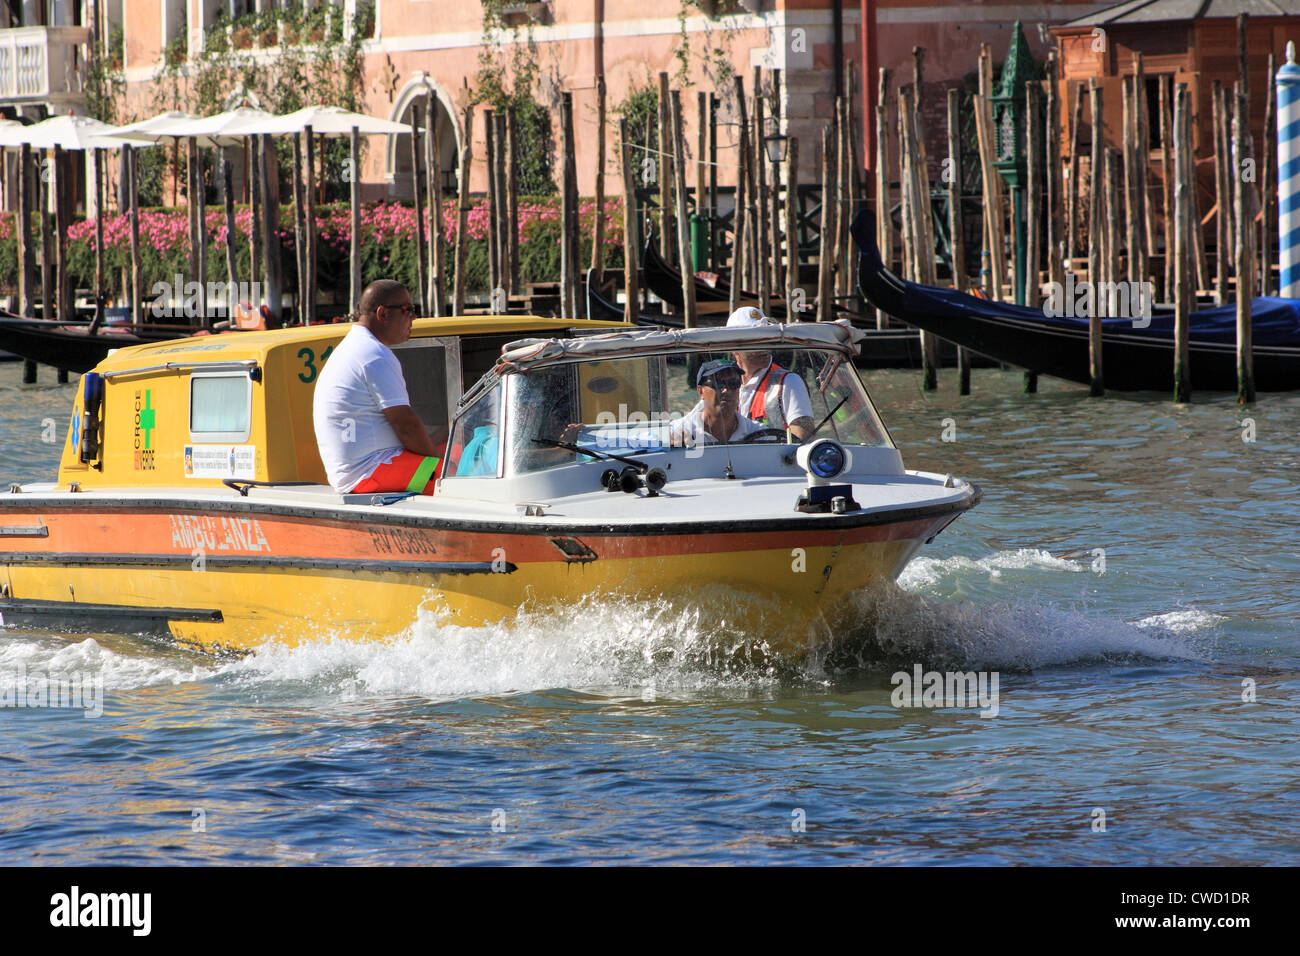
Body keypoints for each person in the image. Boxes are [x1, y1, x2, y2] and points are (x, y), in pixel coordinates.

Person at [312, 280, 445, 494]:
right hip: (371, 471)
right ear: (383, 314)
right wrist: (441, 463)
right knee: (459, 480)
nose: (414, 317)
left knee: (452, 450)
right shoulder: (374, 354)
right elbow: (406, 427)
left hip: (362, 471)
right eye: (408, 310)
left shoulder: (355, 347)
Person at [726, 307, 816, 439]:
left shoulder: (789, 382)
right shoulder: (722, 386)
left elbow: (804, 439)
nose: (764, 344)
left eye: (765, 337)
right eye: (754, 339)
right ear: (734, 348)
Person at [671, 359, 766, 446]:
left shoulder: (761, 434)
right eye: (718, 383)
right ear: (700, 391)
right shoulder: (676, 431)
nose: (726, 390)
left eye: (733, 383)